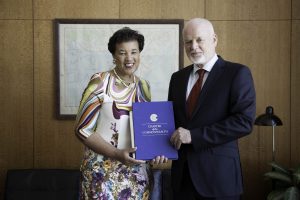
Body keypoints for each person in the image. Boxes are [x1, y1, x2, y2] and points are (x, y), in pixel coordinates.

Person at [75, 27, 167, 200]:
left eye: (134, 52)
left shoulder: (143, 86)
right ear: (114, 56)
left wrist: (157, 151)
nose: (129, 58)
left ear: (140, 54)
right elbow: (82, 129)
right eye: (122, 53)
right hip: (101, 173)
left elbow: (147, 130)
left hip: (136, 174)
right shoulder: (100, 81)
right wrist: (117, 154)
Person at [169, 18, 256, 200]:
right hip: (182, 179)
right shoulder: (177, 78)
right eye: (188, 41)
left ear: (214, 39)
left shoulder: (237, 73)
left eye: (199, 40)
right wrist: (156, 148)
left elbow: (243, 122)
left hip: (219, 179)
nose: (193, 46)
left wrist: (194, 136)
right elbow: (172, 123)